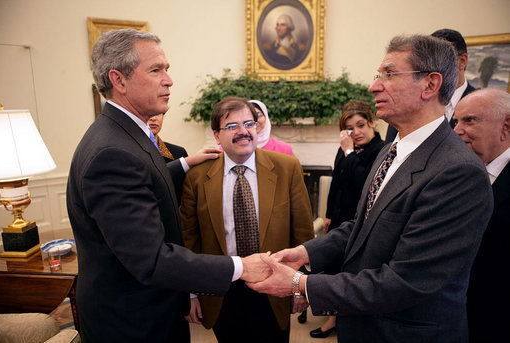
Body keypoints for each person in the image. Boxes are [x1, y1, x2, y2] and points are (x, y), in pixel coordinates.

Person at [248, 34, 493, 343]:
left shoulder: (458, 172)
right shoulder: (391, 149)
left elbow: (405, 281)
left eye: (389, 75)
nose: (374, 86)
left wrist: (300, 284)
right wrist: (305, 253)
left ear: (430, 85)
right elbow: (363, 227)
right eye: (379, 76)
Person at [66, 29, 269, 342]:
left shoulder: (126, 135)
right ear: (119, 80)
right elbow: (153, 259)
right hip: (134, 325)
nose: (169, 80)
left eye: (167, 69)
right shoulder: (112, 153)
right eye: (156, 70)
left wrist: (186, 164)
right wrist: (241, 267)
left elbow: (147, 181)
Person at [179, 96, 314, 342]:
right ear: (217, 136)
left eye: (249, 124)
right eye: (232, 126)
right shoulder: (197, 177)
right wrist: (190, 294)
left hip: (275, 285)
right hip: (222, 289)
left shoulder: (286, 168)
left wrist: (300, 285)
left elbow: (303, 233)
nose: (243, 132)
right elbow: (189, 239)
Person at [309, 100, 385, 339]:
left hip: (361, 220)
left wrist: (350, 152)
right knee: (334, 266)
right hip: (340, 217)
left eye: (361, 125)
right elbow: (337, 184)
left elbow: (364, 183)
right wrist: (329, 215)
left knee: (350, 269)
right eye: (350, 128)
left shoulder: (382, 150)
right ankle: (334, 315)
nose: (356, 132)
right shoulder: (345, 149)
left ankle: (337, 318)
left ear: (372, 122)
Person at [453, 89, 510, 343]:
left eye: (469, 120)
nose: (456, 131)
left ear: (506, 126)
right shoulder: (462, 175)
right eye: (456, 121)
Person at [385, 28, 476, 141]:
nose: (431, 66)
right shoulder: (407, 104)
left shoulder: (480, 106)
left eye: (440, 61)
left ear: (462, 61)